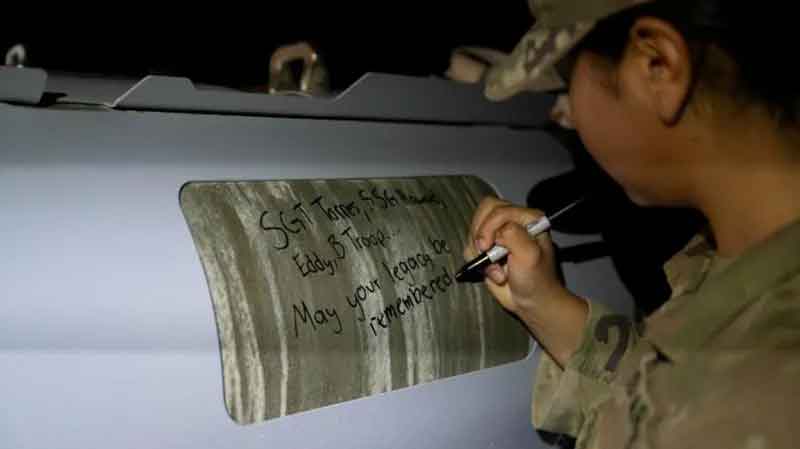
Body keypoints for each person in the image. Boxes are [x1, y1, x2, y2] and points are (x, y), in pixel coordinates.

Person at [464, 1, 800, 447]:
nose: (565, 116)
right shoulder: (744, 270)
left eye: (568, 81)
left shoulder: (763, 389)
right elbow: (665, 397)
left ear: (657, 64)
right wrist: (543, 304)